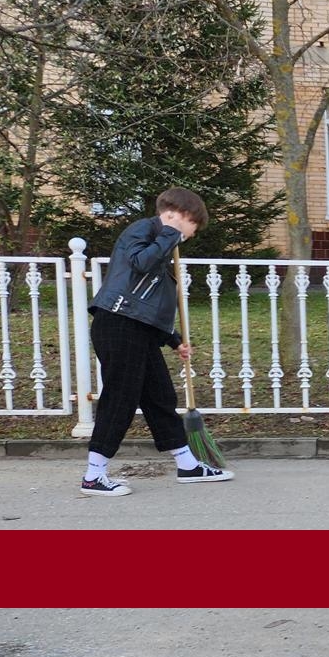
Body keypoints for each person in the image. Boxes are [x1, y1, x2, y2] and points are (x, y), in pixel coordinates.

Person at [80, 187, 232, 495]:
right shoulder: (144, 230)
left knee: (160, 396)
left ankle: (187, 464)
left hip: (139, 329)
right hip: (118, 324)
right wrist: (169, 234)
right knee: (121, 398)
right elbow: (139, 263)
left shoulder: (162, 246)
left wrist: (173, 339)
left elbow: (149, 306)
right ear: (177, 215)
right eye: (192, 225)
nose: (192, 233)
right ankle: (94, 475)